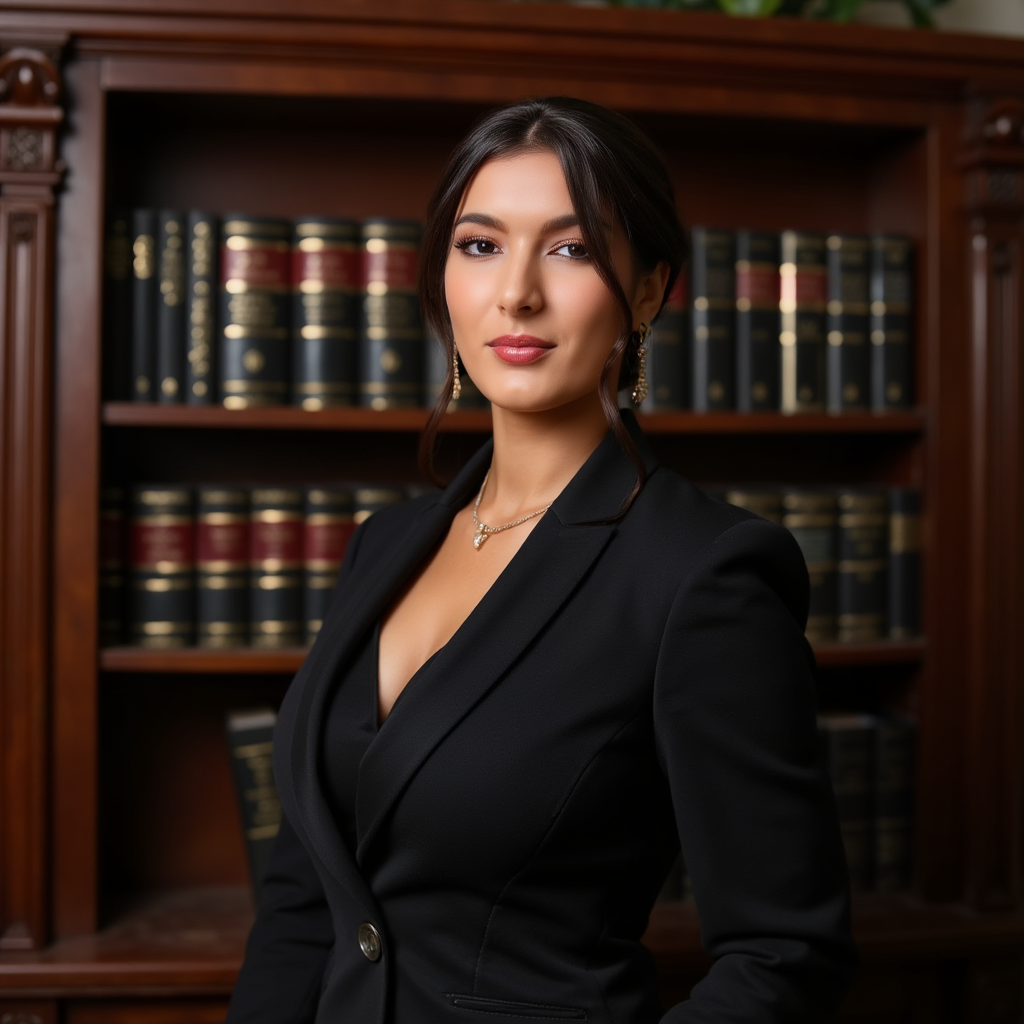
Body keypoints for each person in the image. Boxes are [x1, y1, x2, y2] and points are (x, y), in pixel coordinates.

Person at [226, 97, 857, 1024]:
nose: (515, 291)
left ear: (648, 290)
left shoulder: (705, 575)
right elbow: (304, 896)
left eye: (570, 249)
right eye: (480, 245)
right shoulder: (385, 544)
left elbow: (784, 956)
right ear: (442, 276)